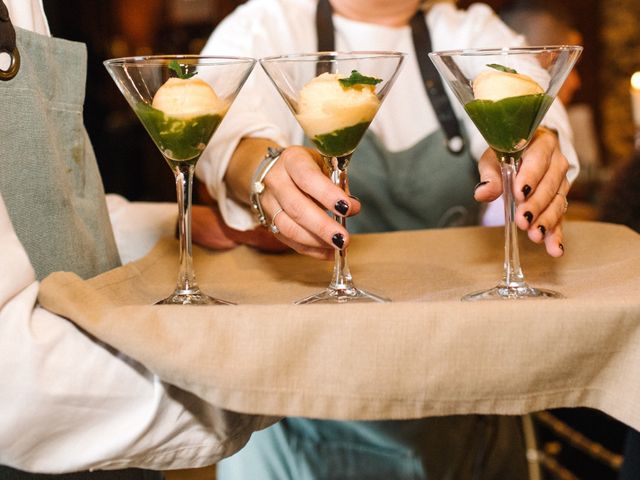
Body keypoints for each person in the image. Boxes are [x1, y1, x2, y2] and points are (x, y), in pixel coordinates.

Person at [194, 0, 580, 477]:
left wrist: (540, 143)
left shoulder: (465, 27)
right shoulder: (267, 23)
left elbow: (537, 99)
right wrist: (261, 169)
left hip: (455, 374)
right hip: (310, 386)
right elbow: (222, 137)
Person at [0, 0, 277, 477]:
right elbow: (13, 386)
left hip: (110, 438)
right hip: (59, 429)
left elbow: (40, 193)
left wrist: (174, 222)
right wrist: (285, 378)